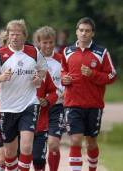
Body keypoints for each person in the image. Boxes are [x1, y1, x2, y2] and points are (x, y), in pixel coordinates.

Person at [0, 19, 47, 171]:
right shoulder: (0, 54)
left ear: (24, 36)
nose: (14, 37)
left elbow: (43, 70)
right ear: (8, 36)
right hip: (7, 108)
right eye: (12, 34)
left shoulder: (34, 52)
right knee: (10, 154)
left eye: (18, 34)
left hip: (29, 105)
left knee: (26, 147)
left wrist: (38, 78)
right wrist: (1, 78)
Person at [61, 17, 117, 171]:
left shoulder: (101, 52)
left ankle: (93, 168)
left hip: (93, 104)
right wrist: (64, 78)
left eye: (87, 31)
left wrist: (93, 74)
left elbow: (112, 76)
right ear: (76, 32)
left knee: (91, 141)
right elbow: (63, 70)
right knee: (75, 140)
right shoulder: (67, 51)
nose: (84, 33)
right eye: (81, 30)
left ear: (92, 33)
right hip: (72, 103)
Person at [34, 26, 65, 171]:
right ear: (38, 43)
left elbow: (66, 84)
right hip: (36, 109)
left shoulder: (62, 60)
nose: (47, 46)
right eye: (44, 42)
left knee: (53, 144)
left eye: (50, 42)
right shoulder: (32, 60)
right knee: (34, 151)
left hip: (56, 107)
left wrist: (51, 97)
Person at [32, 71, 58, 171]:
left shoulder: (43, 73)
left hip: (40, 125)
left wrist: (47, 100)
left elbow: (53, 93)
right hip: (19, 124)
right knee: (19, 158)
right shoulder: (16, 69)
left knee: (38, 159)